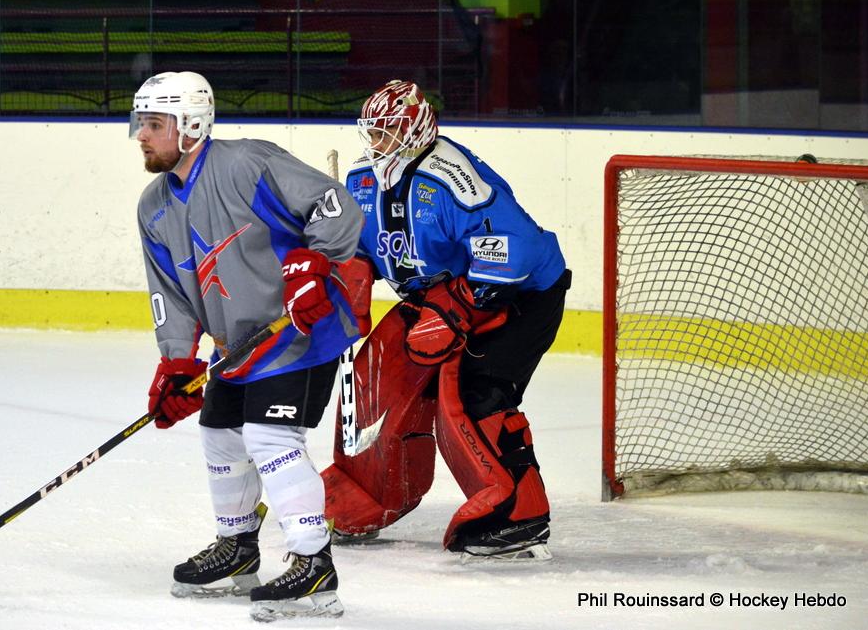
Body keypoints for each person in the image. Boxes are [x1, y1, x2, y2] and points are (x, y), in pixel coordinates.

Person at [131, 71, 363, 620]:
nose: (142, 134)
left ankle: (313, 565)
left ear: (191, 126)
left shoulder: (247, 163)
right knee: (219, 433)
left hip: (299, 332)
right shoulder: (153, 207)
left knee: (268, 434)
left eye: (155, 123)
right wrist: (177, 362)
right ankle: (237, 550)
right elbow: (170, 291)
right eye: (140, 123)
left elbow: (334, 206)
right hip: (237, 348)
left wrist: (318, 260)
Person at [321, 80, 571, 560]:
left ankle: (519, 515)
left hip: (519, 297)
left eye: (387, 132)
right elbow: (359, 243)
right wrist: (351, 272)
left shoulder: (452, 175)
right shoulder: (362, 180)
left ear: (415, 129)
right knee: (375, 378)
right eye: (372, 133)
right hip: (435, 296)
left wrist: (455, 305)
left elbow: (512, 247)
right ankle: (368, 491)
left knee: (479, 393)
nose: (377, 143)